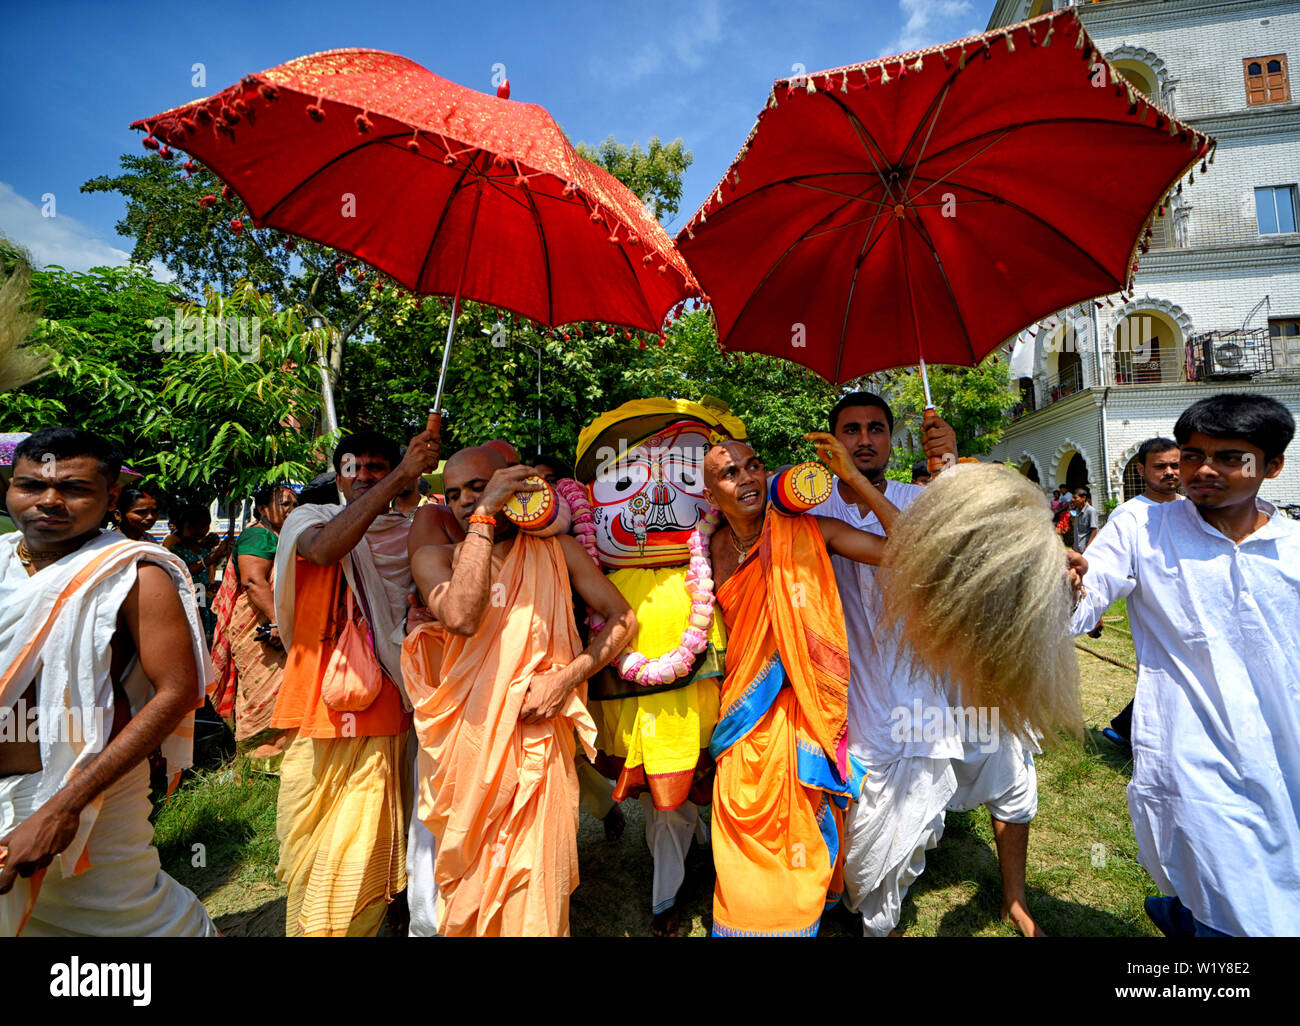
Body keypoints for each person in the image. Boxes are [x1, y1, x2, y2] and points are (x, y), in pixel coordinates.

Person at [1071, 394, 1298, 936]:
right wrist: (1065, 580)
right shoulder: (1143, 526)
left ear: (1272, 466)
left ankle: (1180, 914)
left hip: (1284, 757)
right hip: (1193, 756)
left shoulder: (1291, 545)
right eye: (1194, 455)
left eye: (1229, 458)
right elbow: (1081, 605)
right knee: (1239, 906)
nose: (1203, 470)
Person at [405, 445, 635, 935]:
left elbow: (623, 619)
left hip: (538, 743)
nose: (467, 500)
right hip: (468, 744)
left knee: (537, 883)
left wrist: (566, 679)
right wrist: (485, 517)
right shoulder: (434, 558)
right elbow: (463, 616)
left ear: (516, 484)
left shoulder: (560, 552)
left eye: (479, 486)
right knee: (471, 881)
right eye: (455, 494)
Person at [0, 427, 215, 936]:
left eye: (74, 489)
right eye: (30, 486)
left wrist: (63, 808)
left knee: (140, 924)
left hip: (86, 798)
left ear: (111, 497)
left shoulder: (136, 574)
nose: (49, 501)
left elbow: (177, 692)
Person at [814, 393, 1009, 935]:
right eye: (851, 429)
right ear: (834, 437)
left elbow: (924, 550)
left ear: (892, 440)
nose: (864, 439)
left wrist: (945, 465)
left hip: (914, 673)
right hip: (845, 674)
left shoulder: (915, 500)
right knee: (855, 796)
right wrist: (845, 482)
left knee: (916, 792)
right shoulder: (810, 504)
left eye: (876, 428)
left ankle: (884, 910)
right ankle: (852, 893)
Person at [703, 431, 905, 936]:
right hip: (742, 717)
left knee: (800, 830)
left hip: (803, 709)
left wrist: (852, 478)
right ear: (710, 496)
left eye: (754, 465)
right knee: (740, 826)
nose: (747, 476)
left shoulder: (812, 530)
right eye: (731, 472)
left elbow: (905, 548)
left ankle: (795, 920)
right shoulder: (706, 551)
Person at [270, 425, 440, 937]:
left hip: (387, 696)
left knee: (364, 832)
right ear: (338, 477)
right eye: (354, 468)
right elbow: (323, 551)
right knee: (309, 824)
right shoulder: (309, 517)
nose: (364, 476)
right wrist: (401, 478)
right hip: (317, 694)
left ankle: (352, 921)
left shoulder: (414, 530)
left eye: (376, 468)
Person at [1098, 437, 1181, 750]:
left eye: (1176, 465)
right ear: (1141, 470)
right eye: (1160, 466)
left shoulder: (1192, 511)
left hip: (1190, 614)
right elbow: (1105, 572)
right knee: (1160, 678)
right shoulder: (1128, 516)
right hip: (1154, 614)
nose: (1170, 472)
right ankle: (1141, 738)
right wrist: (1095, 611)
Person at [209, 483, 298, 771]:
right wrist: (277, 622)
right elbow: (254, 583)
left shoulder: (281, 535)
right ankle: (257, 767)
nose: (291, 508)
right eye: (284, 503)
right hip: (261, 626)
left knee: (285, 692)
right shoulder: (257, 535)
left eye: (294, 503)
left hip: (279, 625)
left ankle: (282, 765)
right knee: (261, 695)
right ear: (262, 509)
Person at [164, 505, 230, 642]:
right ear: (183, 526)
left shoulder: (204, 549)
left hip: (206, 606)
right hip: (189, 605)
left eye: (205, 525)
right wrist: (213, 557)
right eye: (194, 525)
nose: (200, 530)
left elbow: (208, 574)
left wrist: (212, 586)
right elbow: (186, 570)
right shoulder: (176, 550)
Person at [1071, 487, 1097, 554]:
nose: (1073, 500)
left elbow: (1094, 530)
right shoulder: (1077, 510)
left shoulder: (1090, 511)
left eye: (1075, 498)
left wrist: (1088, 546)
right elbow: (1077, 530)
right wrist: (1074, 544)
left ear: (1083, 498)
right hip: (1077, 549)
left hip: (1086, 549)